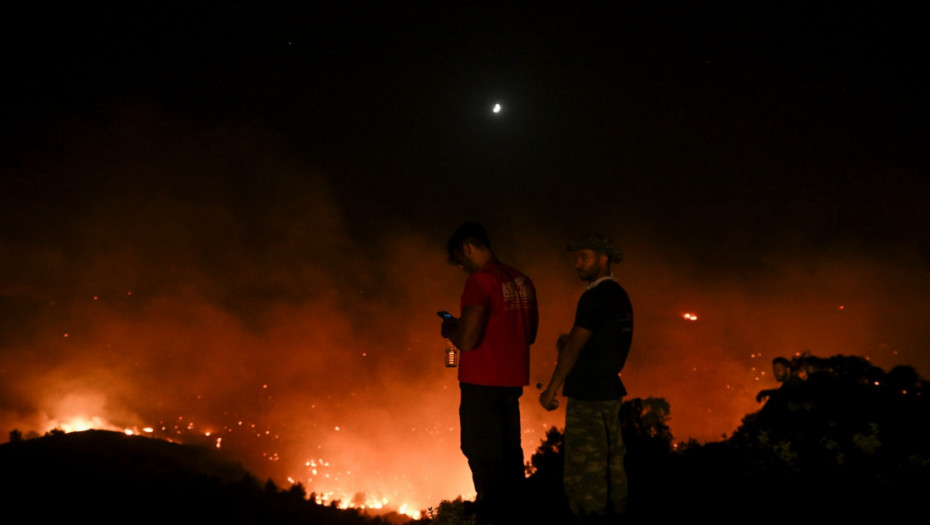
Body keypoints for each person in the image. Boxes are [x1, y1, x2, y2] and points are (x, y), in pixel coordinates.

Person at [440, 222, 538, 524]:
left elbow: (467, 340)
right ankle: (514, 513)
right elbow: (529, 333)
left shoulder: (479, 281)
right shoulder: (522, 280)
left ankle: (493, 515)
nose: (462, 268)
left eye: (460, 260)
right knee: (510, 458)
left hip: (481, 383)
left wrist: (451, 328)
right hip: (510, 383)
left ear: (468, 248)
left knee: (483, 457)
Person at [539, 233, 633, 523]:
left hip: (588, 396)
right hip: (610, 392)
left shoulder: (593, 297)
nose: (577, 264)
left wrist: (551, 390)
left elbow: (574, 348)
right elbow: (602, 342)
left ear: (603, 259)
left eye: (584, 257)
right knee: (613, 463)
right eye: (576, 257)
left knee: (585, 472)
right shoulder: (621, 297)